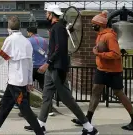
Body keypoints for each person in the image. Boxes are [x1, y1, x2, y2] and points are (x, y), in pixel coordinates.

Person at [23, 4, 99, 135]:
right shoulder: (57, 27)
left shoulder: (58, 28)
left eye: (47, 12)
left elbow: (60, 48)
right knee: (46, 96)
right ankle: (40, 124)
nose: (46, 14)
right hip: (53, 68)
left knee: (67, 99)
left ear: (52, 14)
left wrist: (48, 62)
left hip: (57, 68)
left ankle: (89, 127)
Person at [71, 11, 133, 132]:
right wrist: (98, 52)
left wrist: (99, 53)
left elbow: (116, 54)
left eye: (94, 24)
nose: (92, 26)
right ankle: (87, 119)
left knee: (119, 94)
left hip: (113, 72)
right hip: (102, 70)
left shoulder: (109, 36)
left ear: (99, 25)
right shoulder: (100, 35)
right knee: (95, 92)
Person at [0, 16, 44, 135]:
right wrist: (29, 81)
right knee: (4, 104)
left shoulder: (10, 40)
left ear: (8, 27)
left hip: (16, 83)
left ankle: (40, 133)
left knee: (25, 109)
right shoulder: (26, 41)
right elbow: (30, 63)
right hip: (18, 82)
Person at [16, 27, 55, 118]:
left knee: (26, 89)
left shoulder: (28, 40)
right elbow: (47, 52)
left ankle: (25, 110)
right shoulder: (44, 40)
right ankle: (49, 109)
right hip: (42, 67)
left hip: (31, 67)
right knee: (45, 89)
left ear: (29, 33)